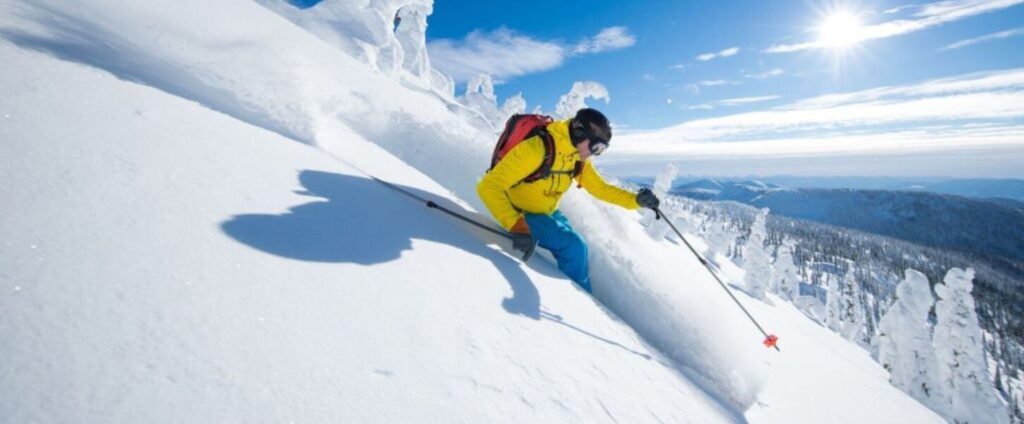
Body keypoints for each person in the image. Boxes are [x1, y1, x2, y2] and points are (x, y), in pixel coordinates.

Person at [477, 108, 660, 293]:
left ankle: (580, 294)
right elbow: (488, 186)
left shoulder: (577, 158)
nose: (594, 154)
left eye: (601, 150)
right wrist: (516, 224)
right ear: (580, 133)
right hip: (521, 213)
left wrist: (636, 200)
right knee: (575, 248)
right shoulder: (537, 149)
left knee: (580, 248)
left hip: (547, 212)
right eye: (596, 147)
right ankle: (580, 303)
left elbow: (600, 189)